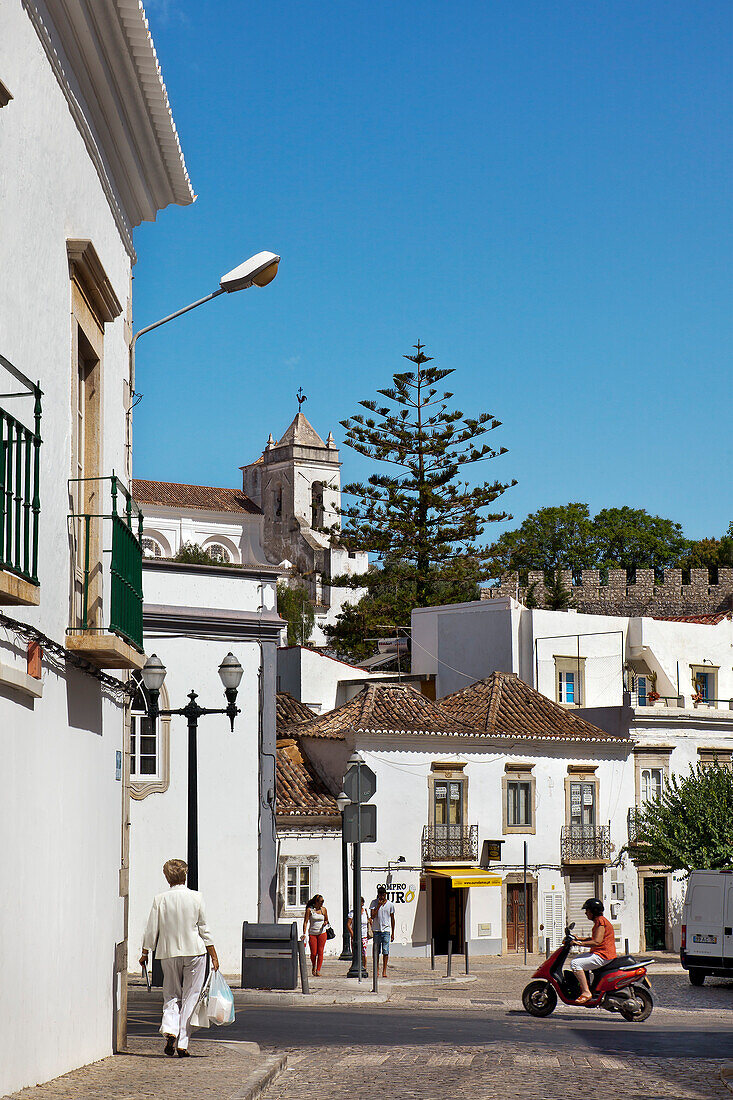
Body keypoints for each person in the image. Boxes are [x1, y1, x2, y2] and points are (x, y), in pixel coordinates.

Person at [139, 859, 219, 1057]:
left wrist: (145, 952)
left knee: (171, 994)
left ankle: (170, 1029)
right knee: (191, 995)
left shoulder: (160, 899)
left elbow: (152, 928)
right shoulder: (196, 897)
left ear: (167, 877)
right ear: (185, 875)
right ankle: (183, 1042)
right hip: (195, 950)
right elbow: (204, 928)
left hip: (168, 952)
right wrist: (214, 954)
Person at [570, 897, 616, 1004]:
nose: (586, 913)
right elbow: (594, 939)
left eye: (587, 910)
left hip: (603, 955)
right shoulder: (599, 921)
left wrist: (580, 944)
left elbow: (597, 942)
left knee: (575, 963)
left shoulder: (601, 922)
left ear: (593, 911)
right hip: (601, 953)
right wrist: (578, 938)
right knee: (577, 959)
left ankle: (586, 992)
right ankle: (586, 986)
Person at [370, 886, 396, 978]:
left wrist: (393, 932)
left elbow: (392, 919)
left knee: (385, 951)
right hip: (377, 930)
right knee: (376, 951)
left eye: (383, 894)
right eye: (380, 894)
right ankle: (376, 970)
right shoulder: (374, 903)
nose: (381, 896)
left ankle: (384, 970)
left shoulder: (390, 905)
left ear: (385, 894)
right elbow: (372, 916)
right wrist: (378, 906)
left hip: (386, 930)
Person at [303, 894, 330, 977]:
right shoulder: (310, 910)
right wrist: (304, 933)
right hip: (313, 933)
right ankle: (313, 966)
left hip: (322, 933)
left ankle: (318, 970)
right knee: (314, 953)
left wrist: (326, 923)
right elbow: (305, 922)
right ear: (316, 902)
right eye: (321, 901)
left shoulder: (324, 910)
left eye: (323, 901)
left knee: (320, 951)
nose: (322, 903)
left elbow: (326, 919)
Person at [347, 896, 370, 972]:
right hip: (355, 936)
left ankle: (364, 967)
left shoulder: (365, 912)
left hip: (363, 935)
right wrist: (352, 933)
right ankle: (356, 965)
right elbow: (348, 924)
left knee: (364, 952)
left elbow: (369, 921)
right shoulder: (352, 913)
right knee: (355, 952)